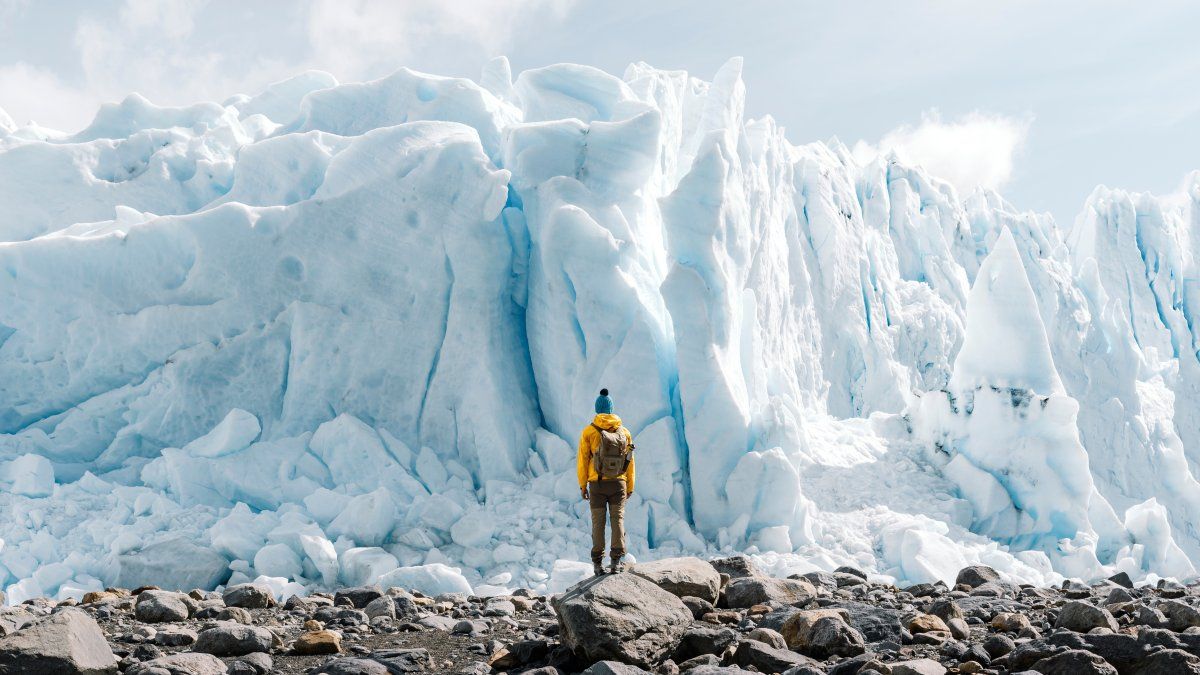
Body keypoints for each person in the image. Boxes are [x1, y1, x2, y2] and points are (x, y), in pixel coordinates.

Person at [577, 388, 635, 575]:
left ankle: (597, 564)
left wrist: (583, 485)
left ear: (597, 409)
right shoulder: (624, 432)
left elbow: (582, 460)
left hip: (597, 485)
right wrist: (630, 486)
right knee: (618, 520)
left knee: (598, 523)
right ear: (611, 409)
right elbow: (630, 461)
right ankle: (616, 561)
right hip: (619, 483)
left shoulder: (589, 432)